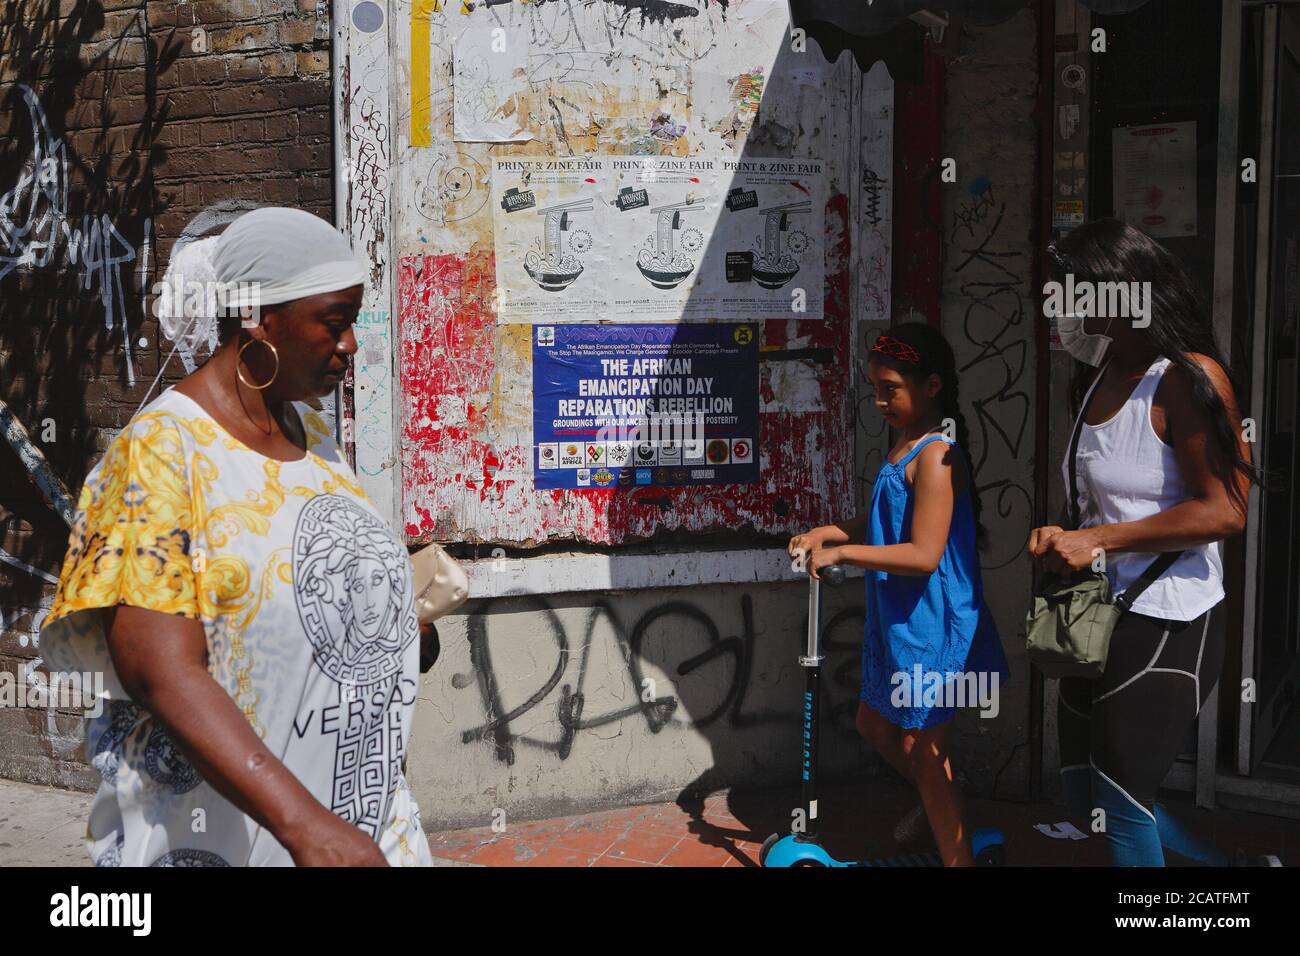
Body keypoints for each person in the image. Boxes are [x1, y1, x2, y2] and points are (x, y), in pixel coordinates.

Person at [39, 207, 435, 867]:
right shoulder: (161, 454)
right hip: (236, 838)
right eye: (334, 323)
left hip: (360, 817)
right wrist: (304, 826)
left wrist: (396, 630)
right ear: (259, 317)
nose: (350, 347)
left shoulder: (313, 440)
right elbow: (159, 669)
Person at [1030, 218, 1254, 866]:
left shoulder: (1188, 378)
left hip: (1169, 618)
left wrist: (1097, 538)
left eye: (1071, 289)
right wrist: (1066, 533)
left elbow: (1227, 511)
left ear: (1118, 292)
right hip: (1100, 611)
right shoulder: (1100, 372)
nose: (1062, 304)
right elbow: (1111, 495)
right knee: (1085, 799)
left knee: (1123, 810)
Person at [788, 322, 1009, 867]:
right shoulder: (905, 444)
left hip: (934, 625)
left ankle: (953, 844)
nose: (881, 399)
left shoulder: (936, 454)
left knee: (929, 756)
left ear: (932, 385)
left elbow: (923, 554)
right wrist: (832, 532)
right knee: (876, 725)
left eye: (892, 387)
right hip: (899, 621)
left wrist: (842, 555)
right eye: (876, 388)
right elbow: (886, 520)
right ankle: (941, 811)